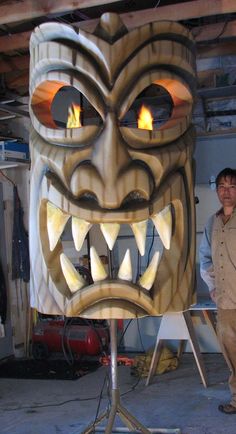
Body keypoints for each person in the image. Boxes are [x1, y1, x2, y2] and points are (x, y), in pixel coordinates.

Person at [199, 167, 236, 415]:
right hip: (226, 301)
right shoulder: (212, 222)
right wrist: (212, 287)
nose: (226, 192)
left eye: (232, 186)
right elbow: (204, 259)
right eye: (222, 186)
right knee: (231, 354)